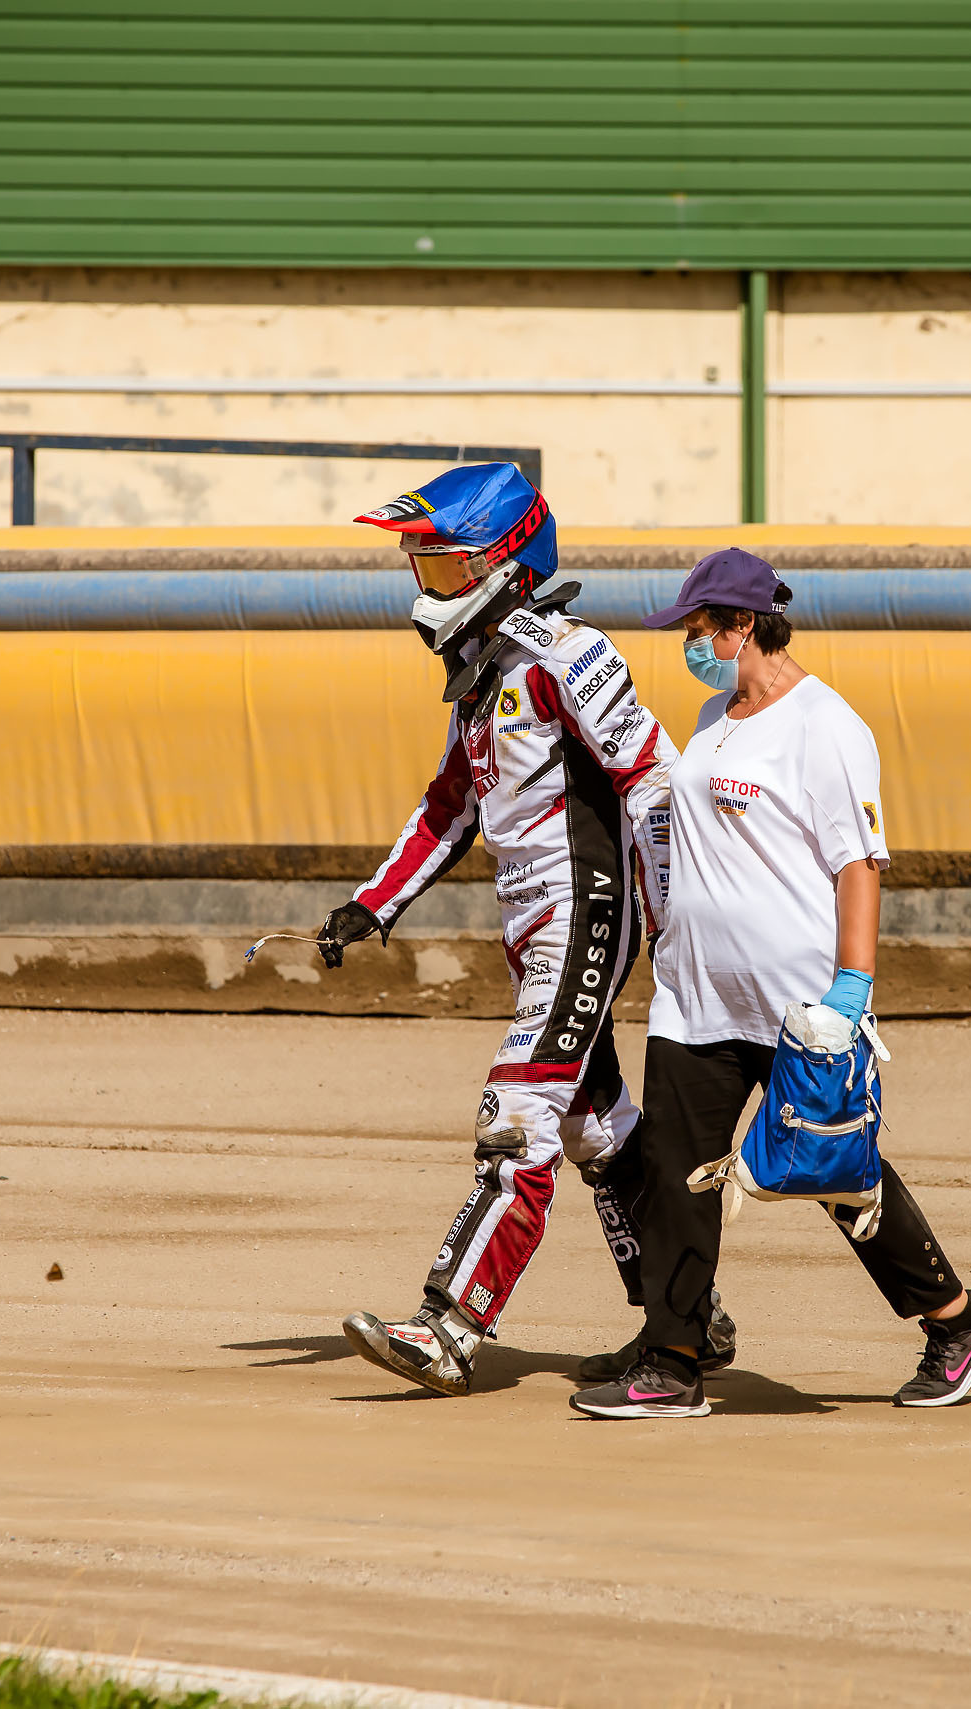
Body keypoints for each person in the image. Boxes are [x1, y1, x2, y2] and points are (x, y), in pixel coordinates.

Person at [570, 548, 971, 1420]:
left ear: (740, 627)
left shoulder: (826, 725)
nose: (689, 647)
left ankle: (956, 1321)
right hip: (695, 999)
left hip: (801, 1004)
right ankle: (674, 1357)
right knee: (677, 1171)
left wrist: (852, 987)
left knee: (834, 1170)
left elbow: (859, 862)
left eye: (698, 632)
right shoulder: (712, 714)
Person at [326, 463, 736, 1397]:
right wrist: (373, 902)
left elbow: (653, 776)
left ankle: (451, 1325)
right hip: (532, 927)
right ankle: (689, 1319)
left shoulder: (567, 654)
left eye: (444, 570)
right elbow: (448, 805)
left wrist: (677, 919)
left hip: (585, 916)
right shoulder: (483, 675)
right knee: (597, 1127)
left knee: (518, 1116)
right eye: (420, 571)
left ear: (508, 562)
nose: (428, 591)